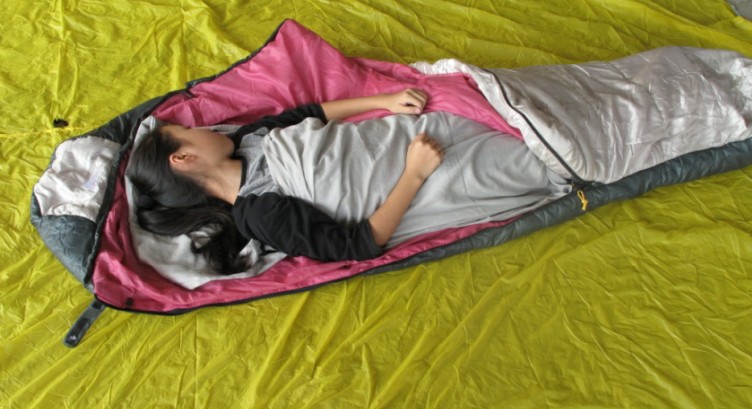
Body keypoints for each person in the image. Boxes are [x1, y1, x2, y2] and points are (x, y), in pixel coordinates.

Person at [127, 88, 568, 274]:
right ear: (183, 158)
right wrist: (414, 172)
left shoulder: (247, 140)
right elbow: (359, 244)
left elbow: (307, 115)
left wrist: (384, 100)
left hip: (414, 134)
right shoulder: (258, 212)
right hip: (423, 179)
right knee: (555, 153)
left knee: (531, 108)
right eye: (191, 131)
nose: (205, 127)